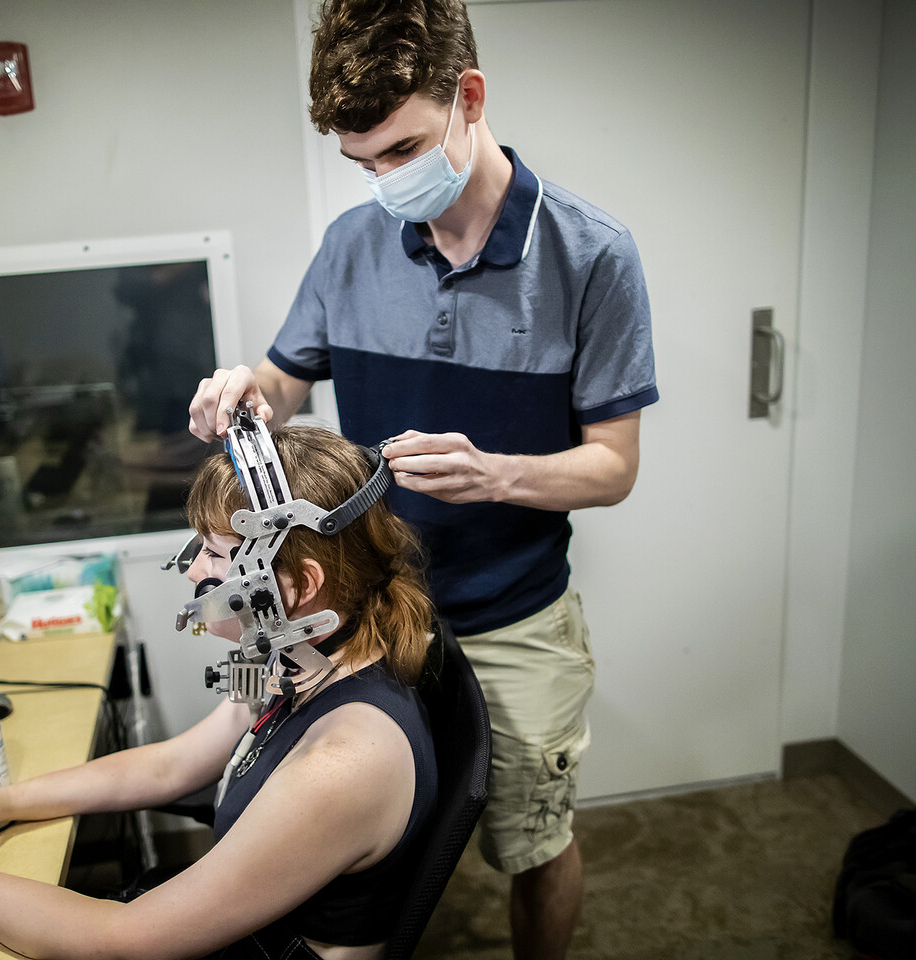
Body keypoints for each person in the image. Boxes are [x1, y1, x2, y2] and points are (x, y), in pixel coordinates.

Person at [187, 3, 657, 959]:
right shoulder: (350, 247)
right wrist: (249, 391)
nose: (384, 183)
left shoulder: (592, 256)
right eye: (362, 164)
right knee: (371, 837)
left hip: (514, 617)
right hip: (374, 611)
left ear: (467, 99)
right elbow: (284, 382)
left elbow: (613, 467)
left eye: (400, 151)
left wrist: (497, 474)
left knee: (533, 842)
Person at [0, 425, 439, 960]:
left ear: (301, 585)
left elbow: (129, 939)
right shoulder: (294, 659)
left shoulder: (342, 762)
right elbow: (172, 766)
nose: (194, 570)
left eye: (216, 555)